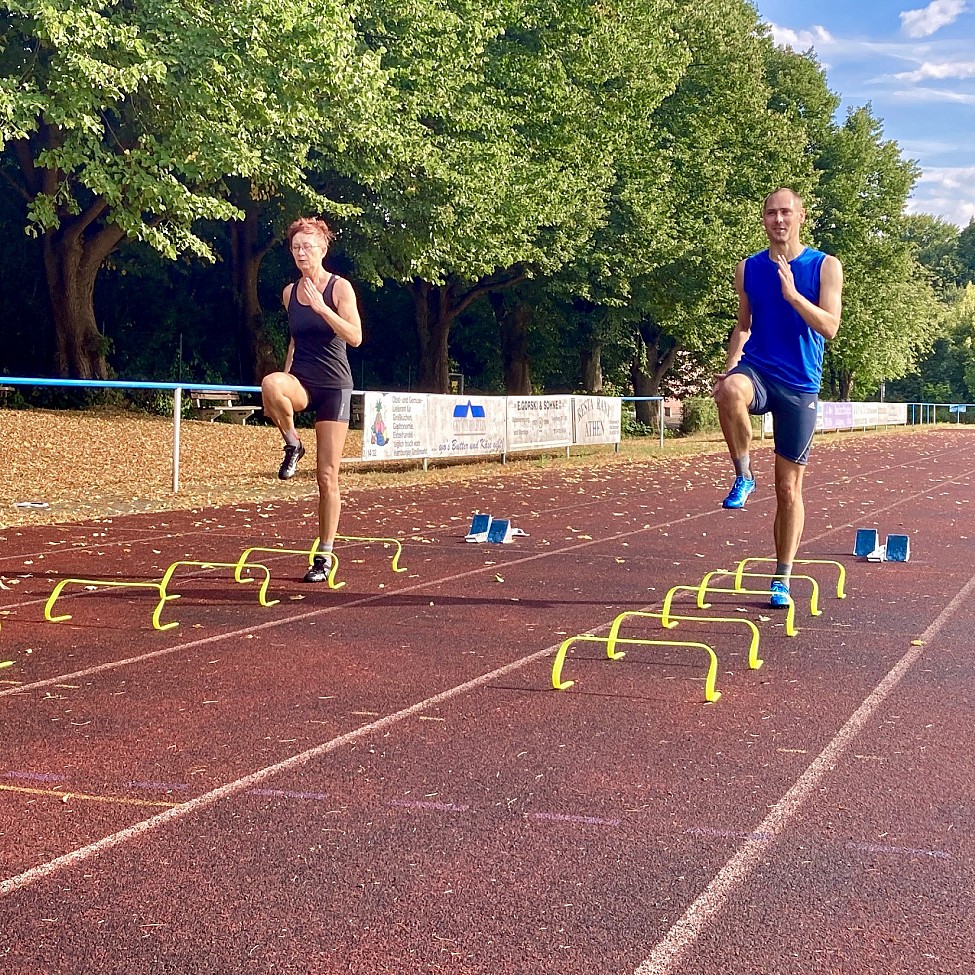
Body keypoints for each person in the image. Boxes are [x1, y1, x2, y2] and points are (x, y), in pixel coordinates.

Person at [712, 188, 843, 608]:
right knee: (730, 390)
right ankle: (743, 474)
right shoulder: (748, 268)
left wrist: (793, 296)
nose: (778, 219)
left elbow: (830, 326)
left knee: (788, 489)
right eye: (771, 213)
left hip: (800, 385)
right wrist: (732, 363)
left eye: (786, 212)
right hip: (760, 370)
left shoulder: (824, 266)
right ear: (764, 219)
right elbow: (743, 324)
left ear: (801, 215)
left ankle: (781, 577)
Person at [261, 217, 363, 583]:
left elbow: (355, 337)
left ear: (323, 249)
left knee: (326, 477)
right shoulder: (290, 293)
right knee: (271, 382)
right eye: (296, 248)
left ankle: (324, 555)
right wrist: (287, 378)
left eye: (308, 247)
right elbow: (293, 340)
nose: (301, 253)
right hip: (302, 381)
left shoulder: (340, 288)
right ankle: (292, 443)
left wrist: (322, 308)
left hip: (334, 387)